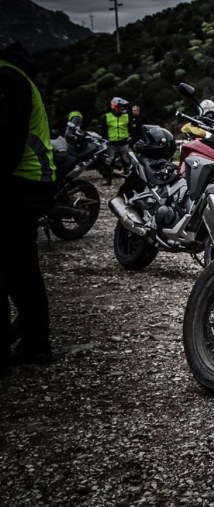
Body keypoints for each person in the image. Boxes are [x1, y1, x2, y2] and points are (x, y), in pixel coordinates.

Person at [0, 44, 58, 375]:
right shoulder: (16, 76)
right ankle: (34, 339)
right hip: (28, 181)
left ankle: (29, 340)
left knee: (14, 265)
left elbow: (7, 142)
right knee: (20, 266)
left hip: (19, 183)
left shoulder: (8, 78)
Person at [100, 96, 132, 185]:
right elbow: (103, 130)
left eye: (122, 106)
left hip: (124, 142)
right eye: (120, 106)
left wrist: (133, 140)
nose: (122, 108)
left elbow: (131, 129)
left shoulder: (126, 116)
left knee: (126, 160)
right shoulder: (107, 117)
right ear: (114, 107)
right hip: (112, 143)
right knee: (109, 161)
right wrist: (105, 140)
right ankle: (109, 180)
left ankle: (128, 177)